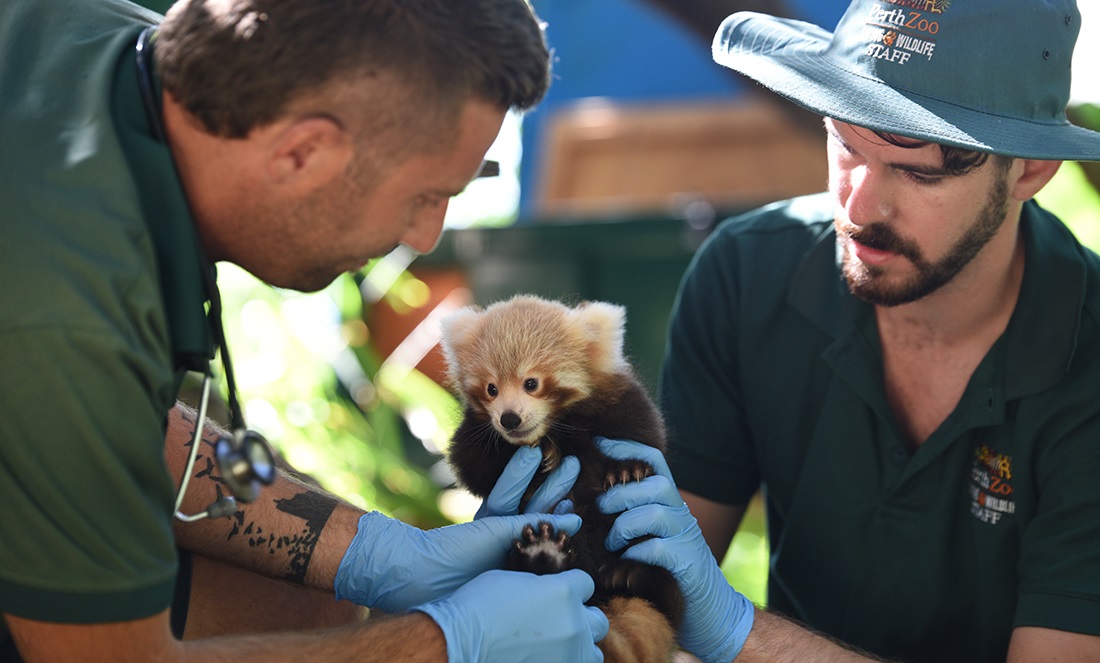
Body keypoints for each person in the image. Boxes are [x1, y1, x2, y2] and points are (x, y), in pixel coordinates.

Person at [0, 0, 609, 660]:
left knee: (304, 599)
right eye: (425, 195)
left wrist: (370, 550)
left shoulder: (108, 40)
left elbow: (109, 418)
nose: (424, 235)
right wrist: (446, 642)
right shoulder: (64, 308)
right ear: (302, 151)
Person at [584, 0, 1100, 661]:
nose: (859, 206)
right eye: (846, 144)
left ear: (1029, 170)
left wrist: (739, 629)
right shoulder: (749, 276)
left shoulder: (1086, 360)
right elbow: (640, 603)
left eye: (919, 171)